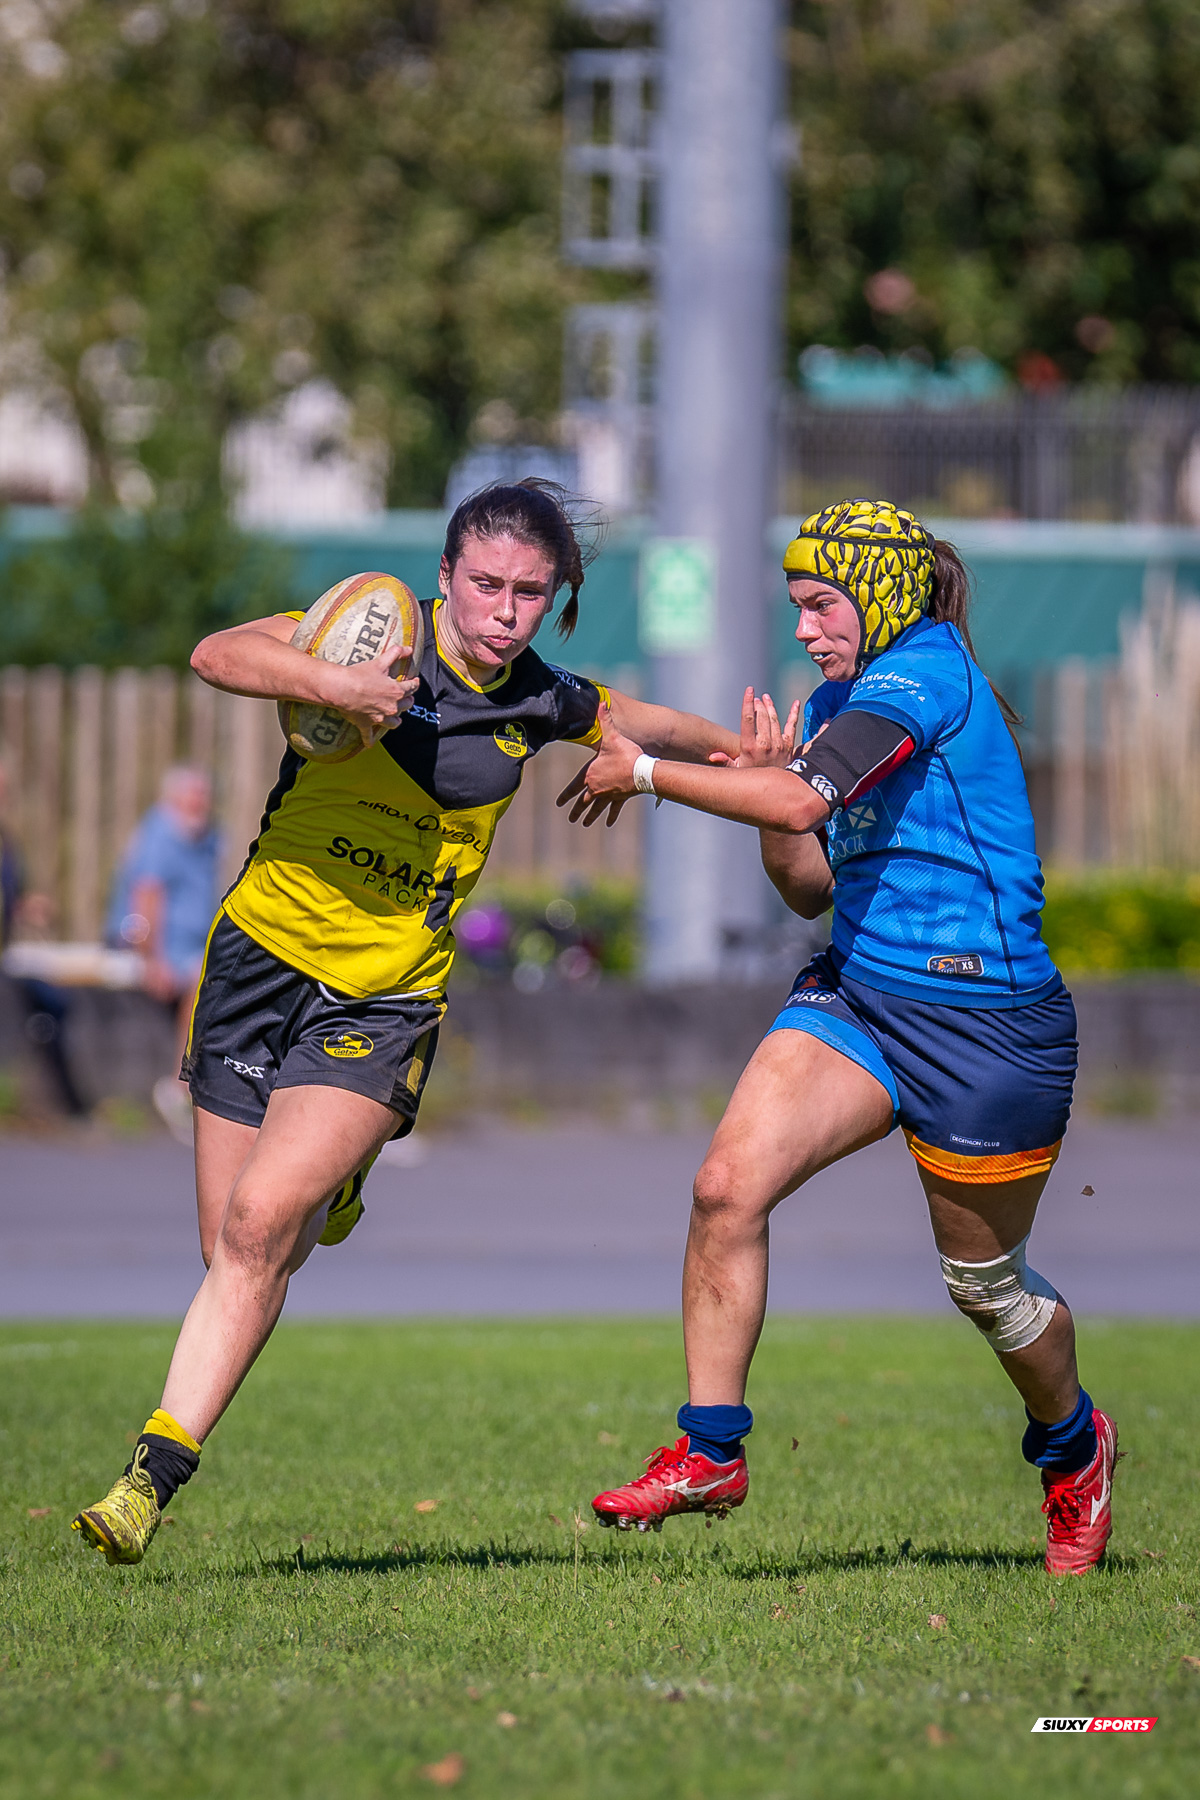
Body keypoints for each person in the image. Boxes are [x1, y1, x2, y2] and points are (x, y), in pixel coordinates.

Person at [72, 479, 739, 1567]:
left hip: (382, 998)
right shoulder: (372, 629)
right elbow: (217, 654)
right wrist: (335, 683)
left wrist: (748, 756)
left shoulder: (541, 700)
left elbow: (644, 723)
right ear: (445, 578)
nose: (505, 611)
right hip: (254, 962)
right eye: (486, 585)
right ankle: (333, 1180)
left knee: (256, 1229)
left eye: (530, 592)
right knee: (232, 1248)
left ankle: (147, 1482)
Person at [576, 498, 1116, 1578]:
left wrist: (650, 771)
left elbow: (787, 801)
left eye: (823, 604)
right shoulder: (844, 697)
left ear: (881, 592)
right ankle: (710, 1448)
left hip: (985, 1030)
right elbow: (809, 874)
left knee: (989, 1292)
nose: (810, 630)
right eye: (799, 609)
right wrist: (771, 811)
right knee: (727, 1185)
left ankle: (1074, 1446)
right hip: (862, 998)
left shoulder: (924, 675)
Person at [108, 764, 221, 1142]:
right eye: (193, 796)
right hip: (155, 944)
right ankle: (179, 1085)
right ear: (173, 798)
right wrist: (150, 958)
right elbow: (145, 897)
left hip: (192, 943)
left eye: (204, 796)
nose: (200, 803)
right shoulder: (161, 834)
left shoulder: (205, 837)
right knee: (199, 979)